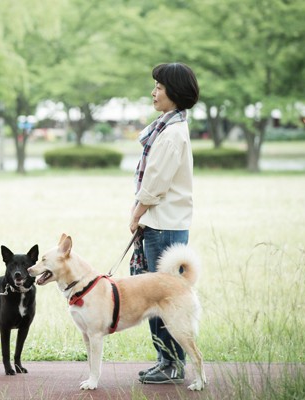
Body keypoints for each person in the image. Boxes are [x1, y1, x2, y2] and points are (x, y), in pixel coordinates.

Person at [128, 62, 199, 385]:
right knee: (155, 296)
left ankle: (171, 362)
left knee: (162, 299)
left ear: (175, 92)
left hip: (163, 225)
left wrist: (136, 213)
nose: (154, 92)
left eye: (159, 87)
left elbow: (155, 182)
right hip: (164, 223)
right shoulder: (168, 127)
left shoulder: (171, 133)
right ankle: (165, 360)